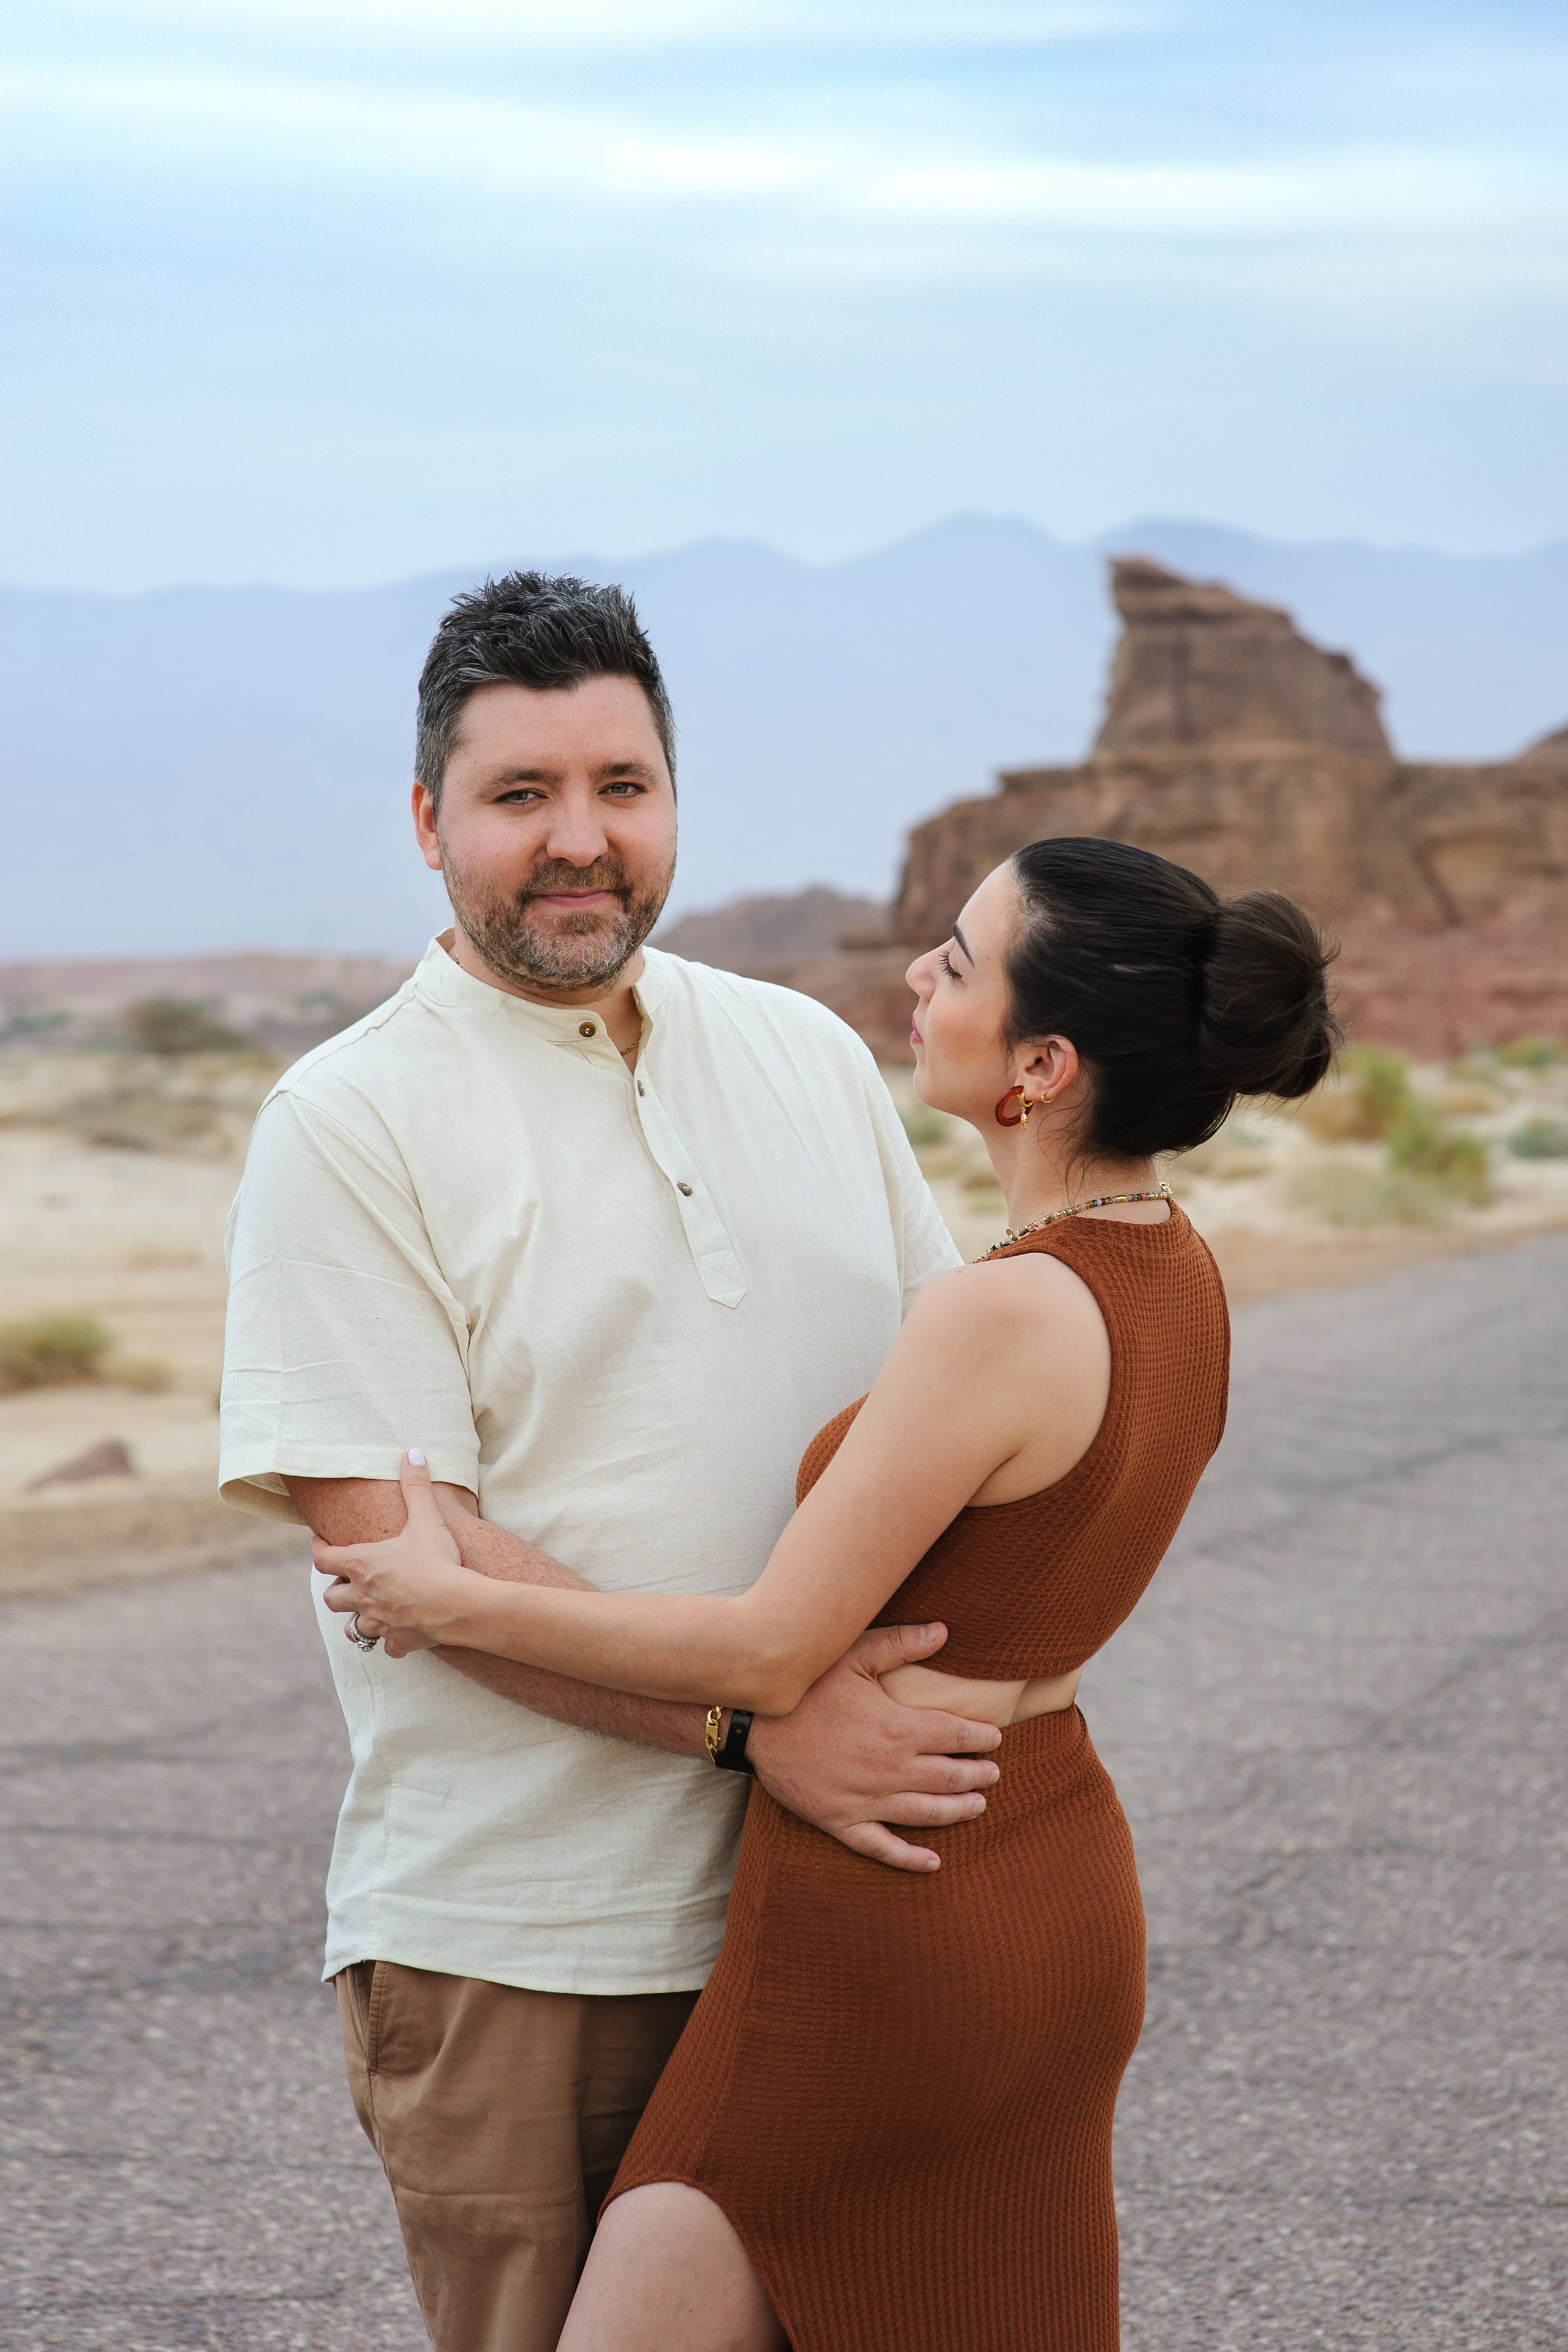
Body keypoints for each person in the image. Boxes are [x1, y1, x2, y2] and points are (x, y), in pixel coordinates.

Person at [313, 833, 1339, 2352]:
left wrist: (442, 1599)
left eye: (959, 961)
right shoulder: (1170, 1270)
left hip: (887, 1916)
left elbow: (765, 1648)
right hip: (1042, 1868)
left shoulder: (1001, 1311)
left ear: (1042, 1064)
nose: (918, 977)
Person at [217, 571, 1009, 2352]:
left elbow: (949, 1428)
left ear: (672, 798)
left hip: (835, 1916)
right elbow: (404, 1558)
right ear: (428, 823)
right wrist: (757, 1721)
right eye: (520, 798)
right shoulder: (346, 1123)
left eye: (622, 788)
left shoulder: (806, 1056)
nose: (582, 842)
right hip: (526, 1951)